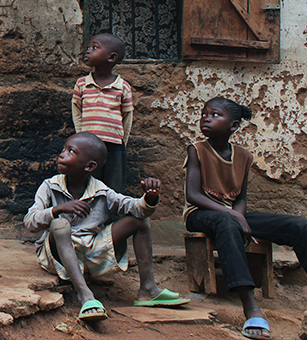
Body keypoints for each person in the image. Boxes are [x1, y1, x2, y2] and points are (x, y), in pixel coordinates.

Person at [185, 96, 307, 340]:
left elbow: (241, 198)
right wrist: (234, 216)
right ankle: (250, 305)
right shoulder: (197, 150)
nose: (206, 118)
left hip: (234, 215)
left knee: (298, 226)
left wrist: (240, 217)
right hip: (202, 215)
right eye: (204, 114)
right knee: (226, 222)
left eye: (215, 115)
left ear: (233, 126)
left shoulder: (244, 156)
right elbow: (192, 195)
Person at [24, 132, 188, 323]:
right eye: (63, 149)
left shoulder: (102, 191)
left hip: (92, 251)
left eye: (71, 151)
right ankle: (85, 295)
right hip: (58, 257)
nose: (62, 155)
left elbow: (136, 208)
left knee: (139, 221)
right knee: (59, 224)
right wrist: (57, 209)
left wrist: (150, 198)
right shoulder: (49, 187)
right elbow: (30, 222)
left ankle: (148, 289)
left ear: (90, 166)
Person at [72, 33, 133, 193]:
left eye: (94, 47)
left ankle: (113, 217)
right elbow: (77, 111)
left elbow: (127, 116)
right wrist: (82, 136)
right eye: (89, 47)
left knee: (114, 186)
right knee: (89, 184)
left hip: (114, 146)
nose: (88, 51)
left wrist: (122, 142)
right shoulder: (82, 84)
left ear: (111, 57)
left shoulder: (123, 87)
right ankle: (90, 216)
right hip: (88, 146)